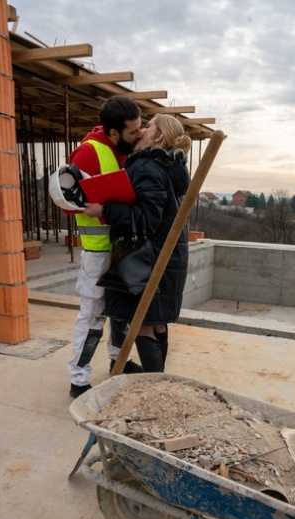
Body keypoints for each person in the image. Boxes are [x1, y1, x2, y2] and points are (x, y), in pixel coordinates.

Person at [83, 114, 192, 372]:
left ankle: (153, 387)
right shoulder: (169, 168)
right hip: (168, 255)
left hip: (150, 258)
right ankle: (158, 383)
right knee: (157, 322)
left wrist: (105, 209)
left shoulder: (147, 167)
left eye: (148, 125)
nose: (141, 130)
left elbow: (145, 220)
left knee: (143, 323)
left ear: (159, 136)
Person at [67, 96, 143, 398]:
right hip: (99, 251)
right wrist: (95, 205)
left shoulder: (125, 148)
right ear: (113, 132)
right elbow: (66, 201)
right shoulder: (88, 153)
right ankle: (79, 379)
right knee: (93, 314)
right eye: (132, 131)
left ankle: (118, 360)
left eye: (140, 128)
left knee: (120, 310)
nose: (138, 134)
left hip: (124, 247)